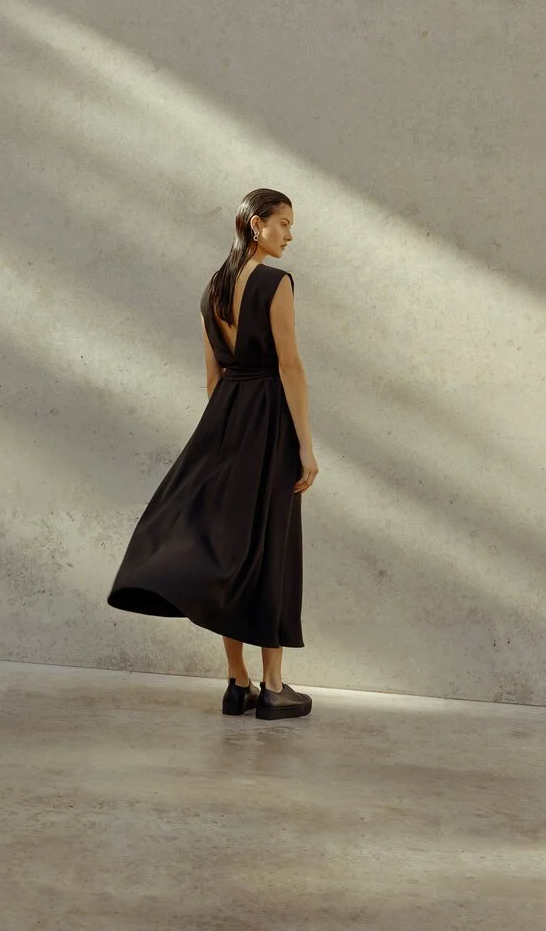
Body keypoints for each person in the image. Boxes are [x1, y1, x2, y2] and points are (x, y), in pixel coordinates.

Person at [107, 189, 319, 720]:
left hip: (223, 420)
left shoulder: (212, 289)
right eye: (284, 224)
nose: (290, 235)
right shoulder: (275, 283)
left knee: (228, 549)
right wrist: (305, 447)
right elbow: (290, 366)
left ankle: (236, 682)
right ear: (254, 225)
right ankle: (273, 687)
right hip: (269, 418)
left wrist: (228, 433)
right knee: (271, 546)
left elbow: (212, 375)